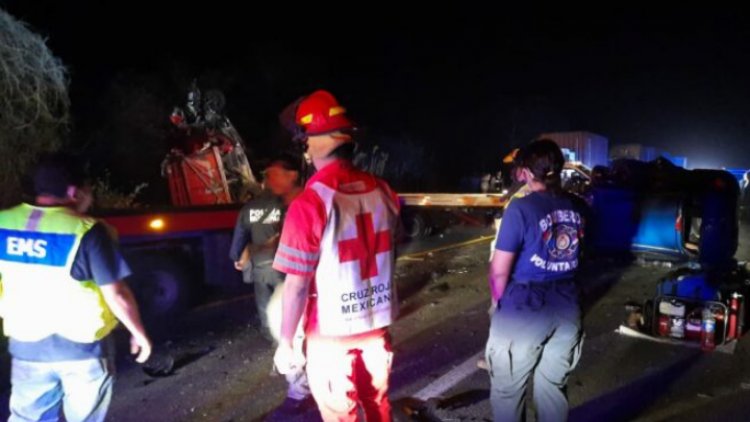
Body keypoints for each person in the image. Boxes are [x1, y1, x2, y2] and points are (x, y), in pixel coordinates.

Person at [272, 90, 400, 421]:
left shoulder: (310, 203)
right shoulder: (384, 190)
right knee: (378, 410)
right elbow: (389, 252)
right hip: (377, 330)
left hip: (330, 338)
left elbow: (297, 285)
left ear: (311, 144)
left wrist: (286, 342)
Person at [0, 153, 151, 422]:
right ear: (74, 191)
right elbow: (116, 293)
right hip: (82, 351)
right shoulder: (87, 230)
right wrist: (138, 333)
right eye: (88, 189)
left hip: (26, 348)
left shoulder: (4, 223)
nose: (90, 196)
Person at [486, 139, 586, 422]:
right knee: (552, 390)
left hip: (525, 309)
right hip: (567, 309)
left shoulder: (521, 209)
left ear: (528, 172)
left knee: (508, 393)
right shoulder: (577, 207)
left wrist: (497, 304)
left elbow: (499, 270)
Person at [228, 153, 312, 415]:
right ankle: (295, 366)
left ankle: (288, 365)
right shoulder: (290, 206)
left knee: (273, 319)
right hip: (288, 272)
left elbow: (236, 250)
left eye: (272, 173)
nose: (268, 179)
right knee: (293, 319)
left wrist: (242, 256)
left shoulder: (250, 209)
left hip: (265, 273)